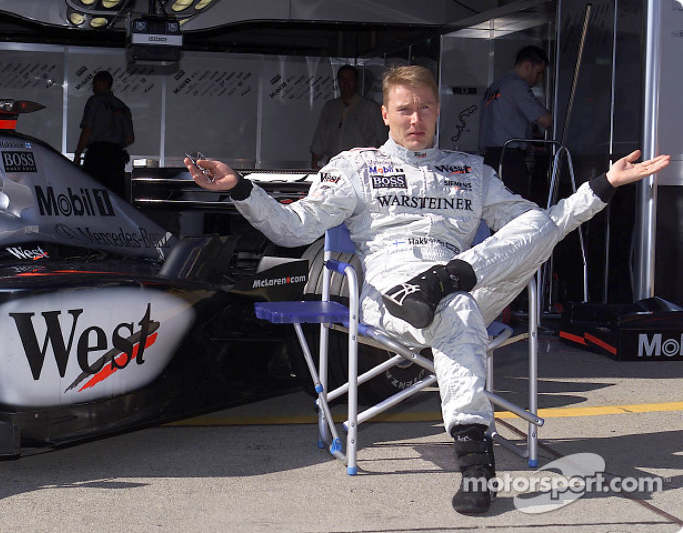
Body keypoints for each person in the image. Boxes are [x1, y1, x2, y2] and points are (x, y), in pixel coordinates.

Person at [184, 65, 669, 515]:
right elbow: (293, 229)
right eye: (404, 109)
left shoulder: (472, 171)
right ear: (385, 114)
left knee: (532, 225)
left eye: (425, 108)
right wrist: (240, 188)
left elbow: (540, 228)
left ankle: (446, 279)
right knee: (455, 309)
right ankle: (476, 462)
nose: (415, 118)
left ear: (438, 111)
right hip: (391, 294)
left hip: (469, 277)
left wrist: (603, 185)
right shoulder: (355, 166)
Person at [479, 46, 553, 201]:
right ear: (527, 66)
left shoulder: (495, 86)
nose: (539, 78)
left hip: (489, 157)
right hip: (510, 158)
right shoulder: (518, 86)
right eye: (539, 72)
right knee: (514, 205)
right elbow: (546, 120)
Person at [310, 64, 388, 169]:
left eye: (350, 79)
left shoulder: (371, 108)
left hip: (362, 167)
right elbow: (319, 140)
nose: (346, 83)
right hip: (334, 167)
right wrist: (314, 164)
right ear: (338, 82)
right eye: (343, 79)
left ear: (356, 82)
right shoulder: (330, 107)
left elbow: (384, 142)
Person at [74, 70, 135, 199]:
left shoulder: (94, 102)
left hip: (97, 155)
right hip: (116, 156)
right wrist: (115, 145)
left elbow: (87, 130)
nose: (93, 88)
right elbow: (130, 138)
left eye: (94, 84)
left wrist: (78, 153)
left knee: (92, 195)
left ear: (100, 83)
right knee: (114, 198)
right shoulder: (123, 107)